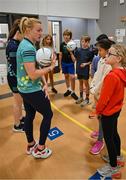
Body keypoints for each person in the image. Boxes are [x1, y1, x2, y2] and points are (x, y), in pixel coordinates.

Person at [17, 17, 55, 159]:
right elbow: (33, 74)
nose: (41, 33)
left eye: (41, 30)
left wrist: (44, 83)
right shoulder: (28, 48)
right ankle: (40, 148)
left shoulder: (27, 44)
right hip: (31, 90)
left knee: (30, 115)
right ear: (28, 30)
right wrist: (51, 67)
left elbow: (36, 68)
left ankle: (31, 143)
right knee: (48, 114)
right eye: (38, 30)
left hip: (25, 89)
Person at [96, 44, 126, 178]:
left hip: (108, 112)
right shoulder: (122, 73)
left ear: (118, 58)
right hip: (116, 110)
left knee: (108, 139)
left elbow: (103, 100)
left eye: (109, 54)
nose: (106, 55)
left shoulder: (112, 76)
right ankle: (118, 158)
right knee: (114, 134)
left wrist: (97, 112)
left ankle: (113, 167)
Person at [89, 39, 114, 155]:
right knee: (99, 116)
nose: (99, 52)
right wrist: (92, 86)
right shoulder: (100, 60)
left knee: (103, 118)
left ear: (107, 50)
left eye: (100, 50)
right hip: (97, 93)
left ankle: (100, 140)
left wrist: (94, 90)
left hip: (102, 94)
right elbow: (96, 76)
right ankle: (100, 132)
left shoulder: (109, 65)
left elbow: (103, 80)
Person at [6, 19, 24, 132]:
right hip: (14, 78)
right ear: (19, 32)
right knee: (17, 102)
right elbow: (16, 66)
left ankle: (21, 118)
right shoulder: (13, 46)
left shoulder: (15, 43)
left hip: (15, 77)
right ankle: (17, 125)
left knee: (19, 101)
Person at [70, 35, 93, 107]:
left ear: (88, 42)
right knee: (80, 83)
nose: (84, 43)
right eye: (83, 41)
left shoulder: (90, 51)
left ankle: (87, 98)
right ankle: (81, 97)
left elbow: (91, 61)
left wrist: (86, 64)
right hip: (79, 69)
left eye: (86, 42)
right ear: (81, 41)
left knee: (86, 83)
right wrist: (71, 53)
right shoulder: (78, 50)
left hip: (85, 70)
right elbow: (74, 60)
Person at [59, 29, 78, 100]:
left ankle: (73, 92)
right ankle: (69, 89)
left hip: (70, 63)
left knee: (72, 77)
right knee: (66, 76)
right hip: (64, 63)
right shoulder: (62, 44)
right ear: (63, 36)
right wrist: (60, 64)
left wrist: (70, 52)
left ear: (70, 36)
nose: (66, 36)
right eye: (65, 35)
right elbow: (60, 55)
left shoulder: (73, 45)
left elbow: (74, 59)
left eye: (68, 35)